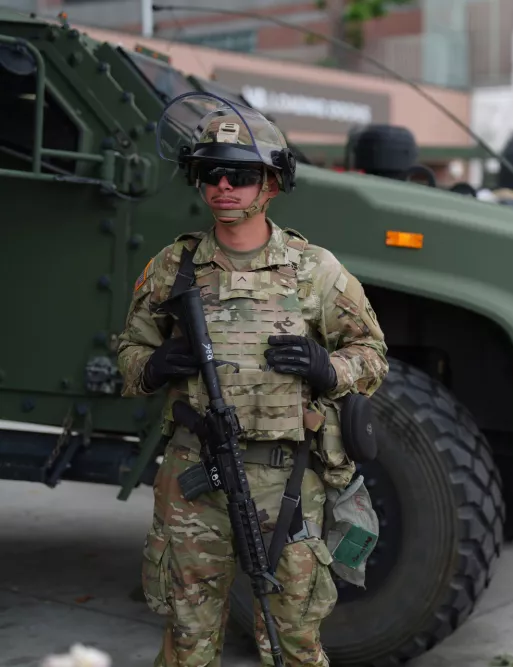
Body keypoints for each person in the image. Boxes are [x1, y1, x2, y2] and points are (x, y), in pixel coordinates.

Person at [117, 94, 389, 667]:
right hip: (194, 471)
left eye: (239, 174)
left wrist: (327, 368)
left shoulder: (315, 270)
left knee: (293, 642)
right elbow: (130, 352)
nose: (223, 187)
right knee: (187, 640)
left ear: (271, 183)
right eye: (210, 173)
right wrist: (156, 365)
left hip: (285, 476)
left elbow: (372, 355)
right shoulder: (174, 267)